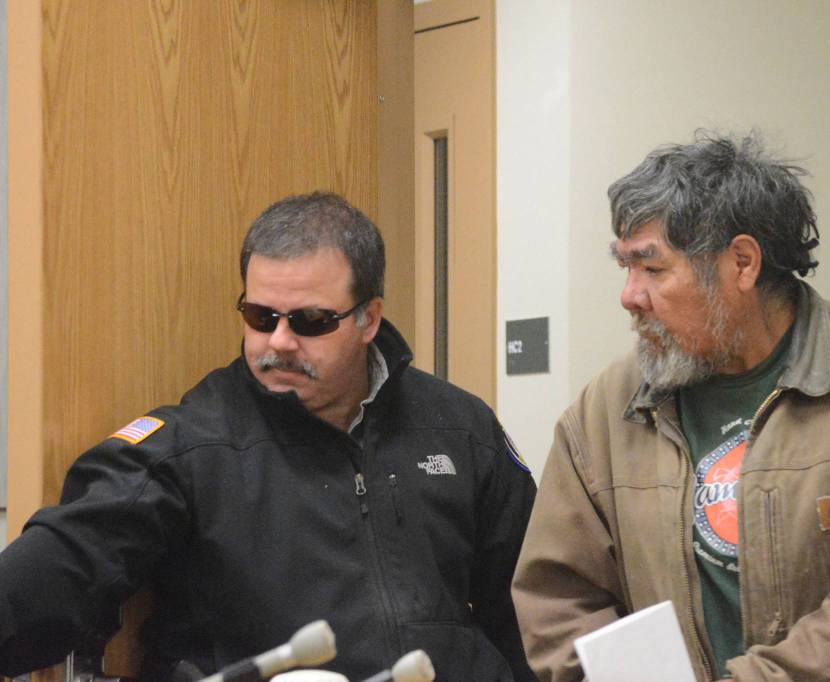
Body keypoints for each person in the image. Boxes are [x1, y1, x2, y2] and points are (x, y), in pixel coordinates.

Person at [512, 132, 830, 681]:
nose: (629, 295)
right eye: (625, 267)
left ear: (742, 262)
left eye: (652, 269)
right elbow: (559, 600)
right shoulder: (603, 413)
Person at [0, 192, 537, 681]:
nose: (278, 341)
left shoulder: (459, 428)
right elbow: (70, 558)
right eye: (261, 316)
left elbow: (532, 605)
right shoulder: (194, 444)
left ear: (369, 319)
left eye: (310, 321)